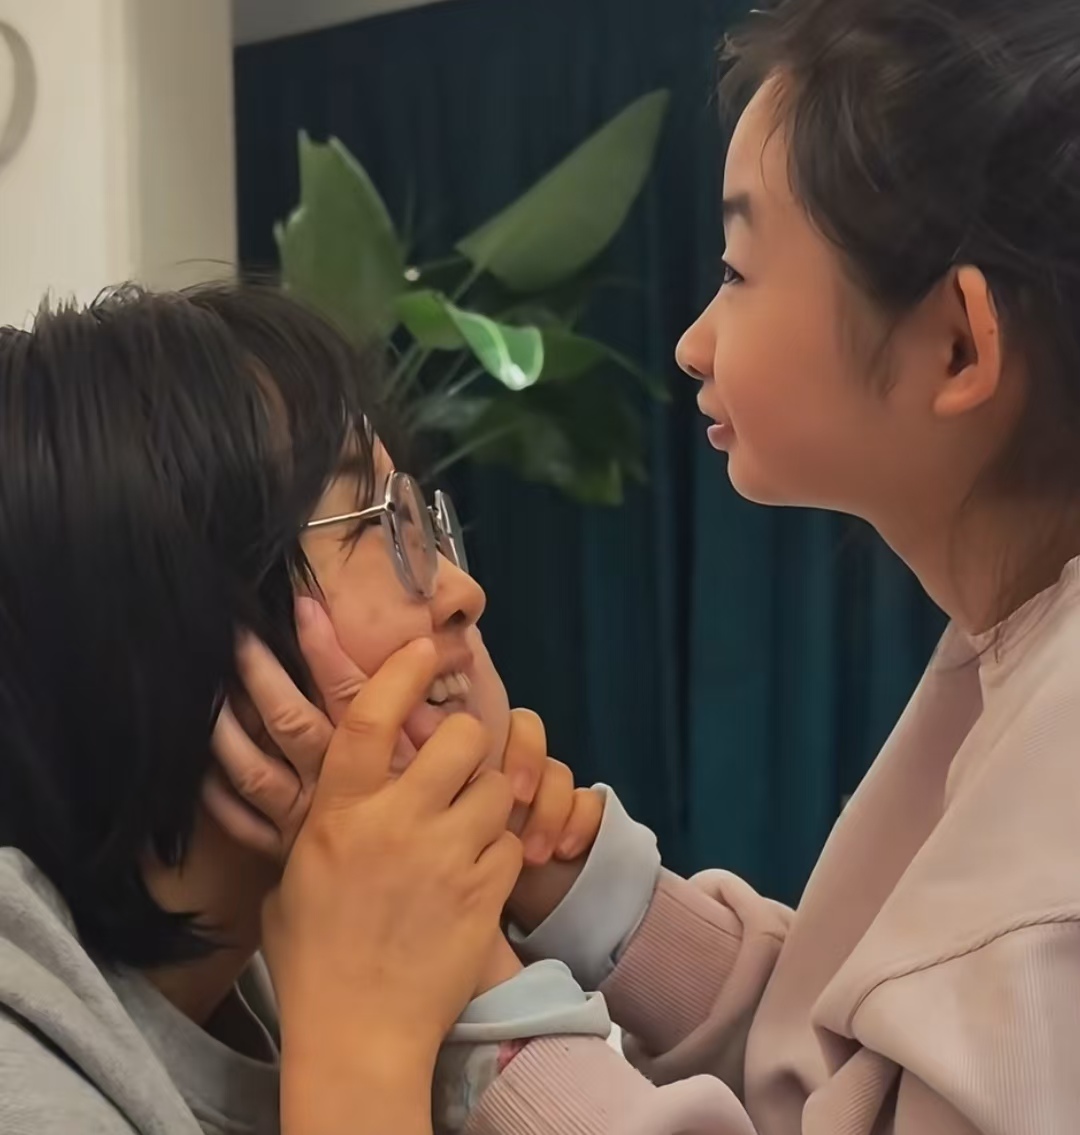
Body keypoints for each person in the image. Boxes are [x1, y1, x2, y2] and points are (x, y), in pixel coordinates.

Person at [224, 0, 1080, 1131]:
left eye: (738, 270)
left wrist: (464, 992)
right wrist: (574, 881)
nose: (692, 340)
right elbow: (857, 1063)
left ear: (959, 344)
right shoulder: (1013, 653)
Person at [0, 282, 602, 1135]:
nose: (460, 591)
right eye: (379, 526)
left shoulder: (295, 966)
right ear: (168, 628)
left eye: (422, 523)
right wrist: (365, 1055)